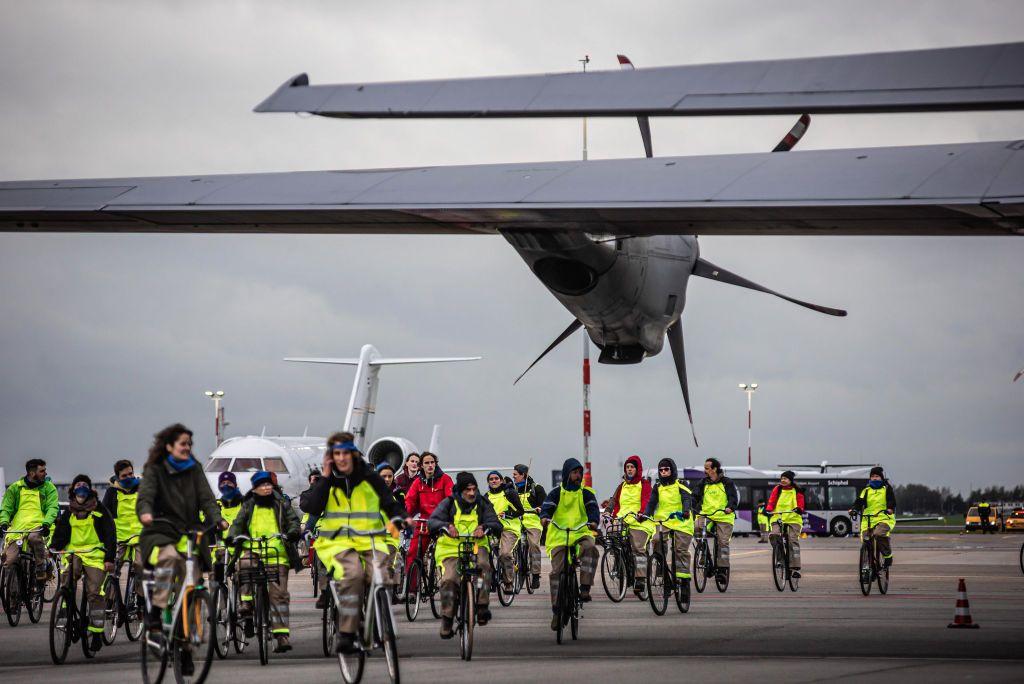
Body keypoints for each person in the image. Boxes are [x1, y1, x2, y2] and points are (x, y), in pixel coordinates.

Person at [299, 433, 407, 655]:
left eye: (345, 453)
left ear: (354, 454)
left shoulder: (370, 477)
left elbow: (388, 502)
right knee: (353, 575)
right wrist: (326, 477)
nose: (341, 458)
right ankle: (347, 633)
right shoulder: (327, 482)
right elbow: (311, 506)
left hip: (369, 540)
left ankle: (376, 623)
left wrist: (401, 518)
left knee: (380, 576)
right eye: (336, 454)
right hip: (337, 543)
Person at [137, 422, 226, 667]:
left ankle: (186, 646)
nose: (187, 448)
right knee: (168, 558)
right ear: (169, 446)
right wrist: (145, 513)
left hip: (188, 529)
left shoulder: (194, 468)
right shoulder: (156, 469)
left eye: (190, 444)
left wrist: (217, 519)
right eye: (182, 444)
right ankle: (155, 615)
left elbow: (207, 498)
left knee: (193, 584)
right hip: (161, 528)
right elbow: (145, 495)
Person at [229, 471, 302, 653]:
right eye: (262, 485)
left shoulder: (281, 503)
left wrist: (293, 532)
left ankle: (281, 635)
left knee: (278, 594)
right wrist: (233, 537)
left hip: (276, 551)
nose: (267, 487)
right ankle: (246, 604)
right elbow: (237, 524)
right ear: (255, 488)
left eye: (269, 484)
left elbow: (293, 520)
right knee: (243, 566)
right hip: (252, 548)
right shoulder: (248, 505)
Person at [429, 472, 502, 638]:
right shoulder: (448, 503)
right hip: (451, 550)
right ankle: (447, 618)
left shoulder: (482, 503)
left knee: (484, 568)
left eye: (474, 489)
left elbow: (495, 523)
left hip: (477, 547)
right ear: (460, 490)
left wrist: (484, 527)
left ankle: (482, 606)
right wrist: (447, 526)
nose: (471, 493)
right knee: (449, 580)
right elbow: (432, 522)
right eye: (467, 490)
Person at [50, 475, 116, 652]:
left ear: (90, 489)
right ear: (73, 490)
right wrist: (53, 547)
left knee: (94, 591)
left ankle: (96, 632)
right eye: (78, 485)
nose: (81, 488)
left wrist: (110, 558)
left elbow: (110, 534)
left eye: (84, 485)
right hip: (74, 554)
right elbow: (61, 532)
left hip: (94, 554)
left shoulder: (99, 509)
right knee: (65, 583)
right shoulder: (69, 511)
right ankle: (65, 612)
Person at [540, 458, 600, 631]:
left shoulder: (586, 493)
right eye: (575, 472)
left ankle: (585, 588)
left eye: (580, 473)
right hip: (559, 536)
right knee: (557, 573)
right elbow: (547, 507)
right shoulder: (556, 493)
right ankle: (557, 611)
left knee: (591, 549)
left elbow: (592, 509)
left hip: (581, 533)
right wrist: (544, 517)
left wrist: (594, 521)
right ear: (567, 474)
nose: (578, 476)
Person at [641, 458, 693, 600]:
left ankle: (684, 584)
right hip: (664, 520)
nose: (663, 472)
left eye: (666, 469)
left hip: (682, 520)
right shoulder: (657, 487)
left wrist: (686, 510)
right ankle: (665, 577)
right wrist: (645, 515)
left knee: (680, 551)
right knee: (656, 541)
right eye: (661, 470)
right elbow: (651, 503)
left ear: (672, 470)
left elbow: (686, 499)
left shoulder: (681, 484)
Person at [1, 458, 59, 582]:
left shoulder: (49, 488)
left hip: (38, 526)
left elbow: (52, 507)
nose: (45, 473)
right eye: (42, 471)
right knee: (9, 561)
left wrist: (47, 524)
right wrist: (4, 522)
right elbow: (6, 508)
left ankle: (41, 568)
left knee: (34, 538)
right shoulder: (15, 488)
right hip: (17, 529)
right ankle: (13, 596)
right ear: (32, 473)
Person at [610, 455, 655, 596]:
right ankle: (620, 564)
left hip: (640, 521)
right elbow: (614, 502)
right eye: (627, 467)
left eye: (632, 467)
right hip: (623, 519)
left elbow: (647, 500)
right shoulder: (621, 486)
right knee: (612, 539)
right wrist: (608, 513)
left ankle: (641, 578)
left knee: (638, 548)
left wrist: (642, 513)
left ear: (637, 469)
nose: (629, 470)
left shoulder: (645, 484)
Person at [690, 457, 739, 581]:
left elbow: (733, 497)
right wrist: (688, 506)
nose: (704, 470)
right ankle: (705, 554)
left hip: (724, 515)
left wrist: (730, 507)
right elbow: (695, 496)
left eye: (707, 468)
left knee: (723, 542)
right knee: (695, 528)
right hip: (707, 514)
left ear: (714, 469)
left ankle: (722, 570)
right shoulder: (703, 482)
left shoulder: (727, 482)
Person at [404, 451, 453, 573]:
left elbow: (451, 500)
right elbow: (410, 501)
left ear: (436, 464)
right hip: (424, 522)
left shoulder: (445, 479)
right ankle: (411, 589)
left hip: (442, 522)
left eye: (432, 462)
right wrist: (405, 517)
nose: (430, 465)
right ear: (421, 466)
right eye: (427, 463)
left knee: (446, 554)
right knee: (413, 553)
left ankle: (446, 583)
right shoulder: (417, 483)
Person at [484, 470, 525, 587]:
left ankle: (508, 582)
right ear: (488, 482)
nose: (494, 481)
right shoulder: (486, 497)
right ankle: (492, 575)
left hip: (509, 528)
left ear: (501, 480)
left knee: (504, 554)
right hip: (492, 530)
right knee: (482, 553)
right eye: (491, 479)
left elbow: (520, 511)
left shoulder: (509, 493)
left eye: (496, 478)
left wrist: (507, 514)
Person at [850, 466, 896, 567]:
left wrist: (890, 508)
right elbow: (859, 502)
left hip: (884, 518)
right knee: (866, 540)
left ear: (881, 478)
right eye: (872, 476)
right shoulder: (866, 490)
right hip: (868, 519)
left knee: (878, 534)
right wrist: (854, 509)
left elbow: (891, 501)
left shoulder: (887, 488)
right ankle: (869, 565)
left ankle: (888, 556)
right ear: (870, 478)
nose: (874, 478)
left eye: (877, 476)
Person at [102, 460, 144, 570]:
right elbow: (104, 513)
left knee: (141, 567)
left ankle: (138, 586)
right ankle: (111, 586)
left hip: (140, 536)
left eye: (131, 474)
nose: (129, 477)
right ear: (118, 477)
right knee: (112, 568)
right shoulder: (112, 491)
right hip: (119, 537)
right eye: (124, 475)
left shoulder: (142, 489)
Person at [765, 470, 805, 578]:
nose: (783, 480)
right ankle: (779, 558)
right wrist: (768, 509)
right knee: (774, 535)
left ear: (790, 480)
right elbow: (772, 501)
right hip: (778, 517)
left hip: (793, 519)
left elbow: (800, 503)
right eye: (782, 478)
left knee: (793, 541)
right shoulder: (777, 489)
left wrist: (799, 509)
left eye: (785, 478)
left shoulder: (797, 490)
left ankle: (795, 568)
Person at [511, 464, 546, 589]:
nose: (513, 476)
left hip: (533, 523)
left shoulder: (537, 489)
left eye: (515, 474)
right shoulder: (512, 490)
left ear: (523, 475)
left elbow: (545, 506)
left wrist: (540, 509)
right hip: (516, 522)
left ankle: (535, 575)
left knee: (534, 545)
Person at [376, 462, 404, 589]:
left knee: (389, 566)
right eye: (383, 476)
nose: (387, 479)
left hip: (390, 538)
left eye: (390, 476)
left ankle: (390, 592)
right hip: (370, 537)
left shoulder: (398, 494)